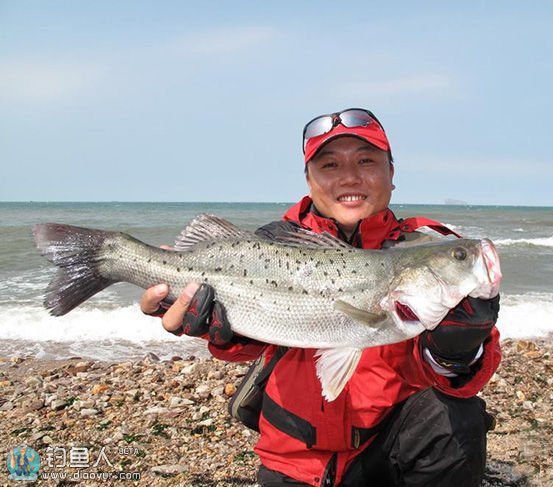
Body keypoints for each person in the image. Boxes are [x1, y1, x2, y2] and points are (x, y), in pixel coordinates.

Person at [140, 108, 501, 487]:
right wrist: (216, 329)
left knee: (459, 417)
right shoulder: (271, 244)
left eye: (366, 161)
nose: (349, 177)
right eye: (329, 165)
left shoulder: (428, 246)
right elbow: (245, 344)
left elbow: (465, 378)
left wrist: (458, 351)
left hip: (392, 450)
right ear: (309, 182)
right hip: (294, 454)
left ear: (391, 174)